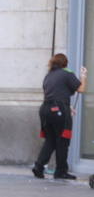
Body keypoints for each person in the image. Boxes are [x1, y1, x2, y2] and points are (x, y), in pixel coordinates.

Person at [31, 53, 87, 181]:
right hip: (59, 110)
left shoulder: (48, 76)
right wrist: (84, 76)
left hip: (45, 109)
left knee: (50, 140)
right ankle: (61, 171)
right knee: (63, 140)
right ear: (65, 63)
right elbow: (81, 89)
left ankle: (39, 166)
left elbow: (54, 93)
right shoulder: (66, 73)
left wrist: (67, 107)